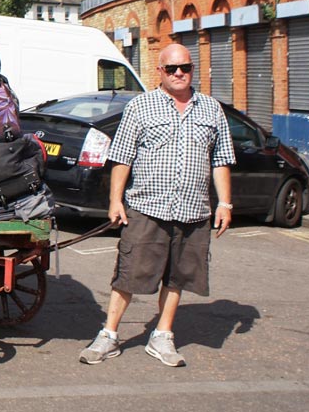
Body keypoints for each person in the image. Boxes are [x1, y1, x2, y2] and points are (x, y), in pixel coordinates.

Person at [79, 43, 235, 367]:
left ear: (193, 70)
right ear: (160, 71)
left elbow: (221, 160)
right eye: (172, 68)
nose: (179, 73)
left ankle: (162, 335)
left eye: (185, 67)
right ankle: (108, 335)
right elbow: (122, 157)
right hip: (147, 207)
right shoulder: (141, 106)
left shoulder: (211, 109)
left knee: (178, 277)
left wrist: (226, 204)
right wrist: (115, 200)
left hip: (193, 210)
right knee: (128, 275)